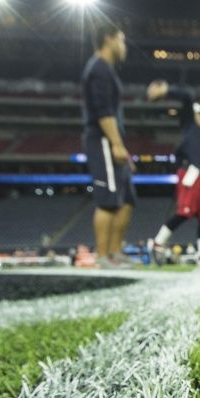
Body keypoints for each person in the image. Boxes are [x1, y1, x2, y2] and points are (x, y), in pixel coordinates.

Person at [145, 81, 200, 265]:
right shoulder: (190, 126)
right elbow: (188, 95)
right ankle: (157, 243)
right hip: (190, 174)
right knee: (184, 212)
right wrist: (167, 90)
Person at [81, 22, 135, 269]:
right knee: (108, 200)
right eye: (121, 40)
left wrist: (121, 145)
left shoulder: (107, 70)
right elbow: (103, 112)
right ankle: (103, 257)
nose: (124, 46)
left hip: (112, 139)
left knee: (126, 200)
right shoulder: (99, 69)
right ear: (108, 38)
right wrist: (115, 143)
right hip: (102, 139)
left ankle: (115, 253)